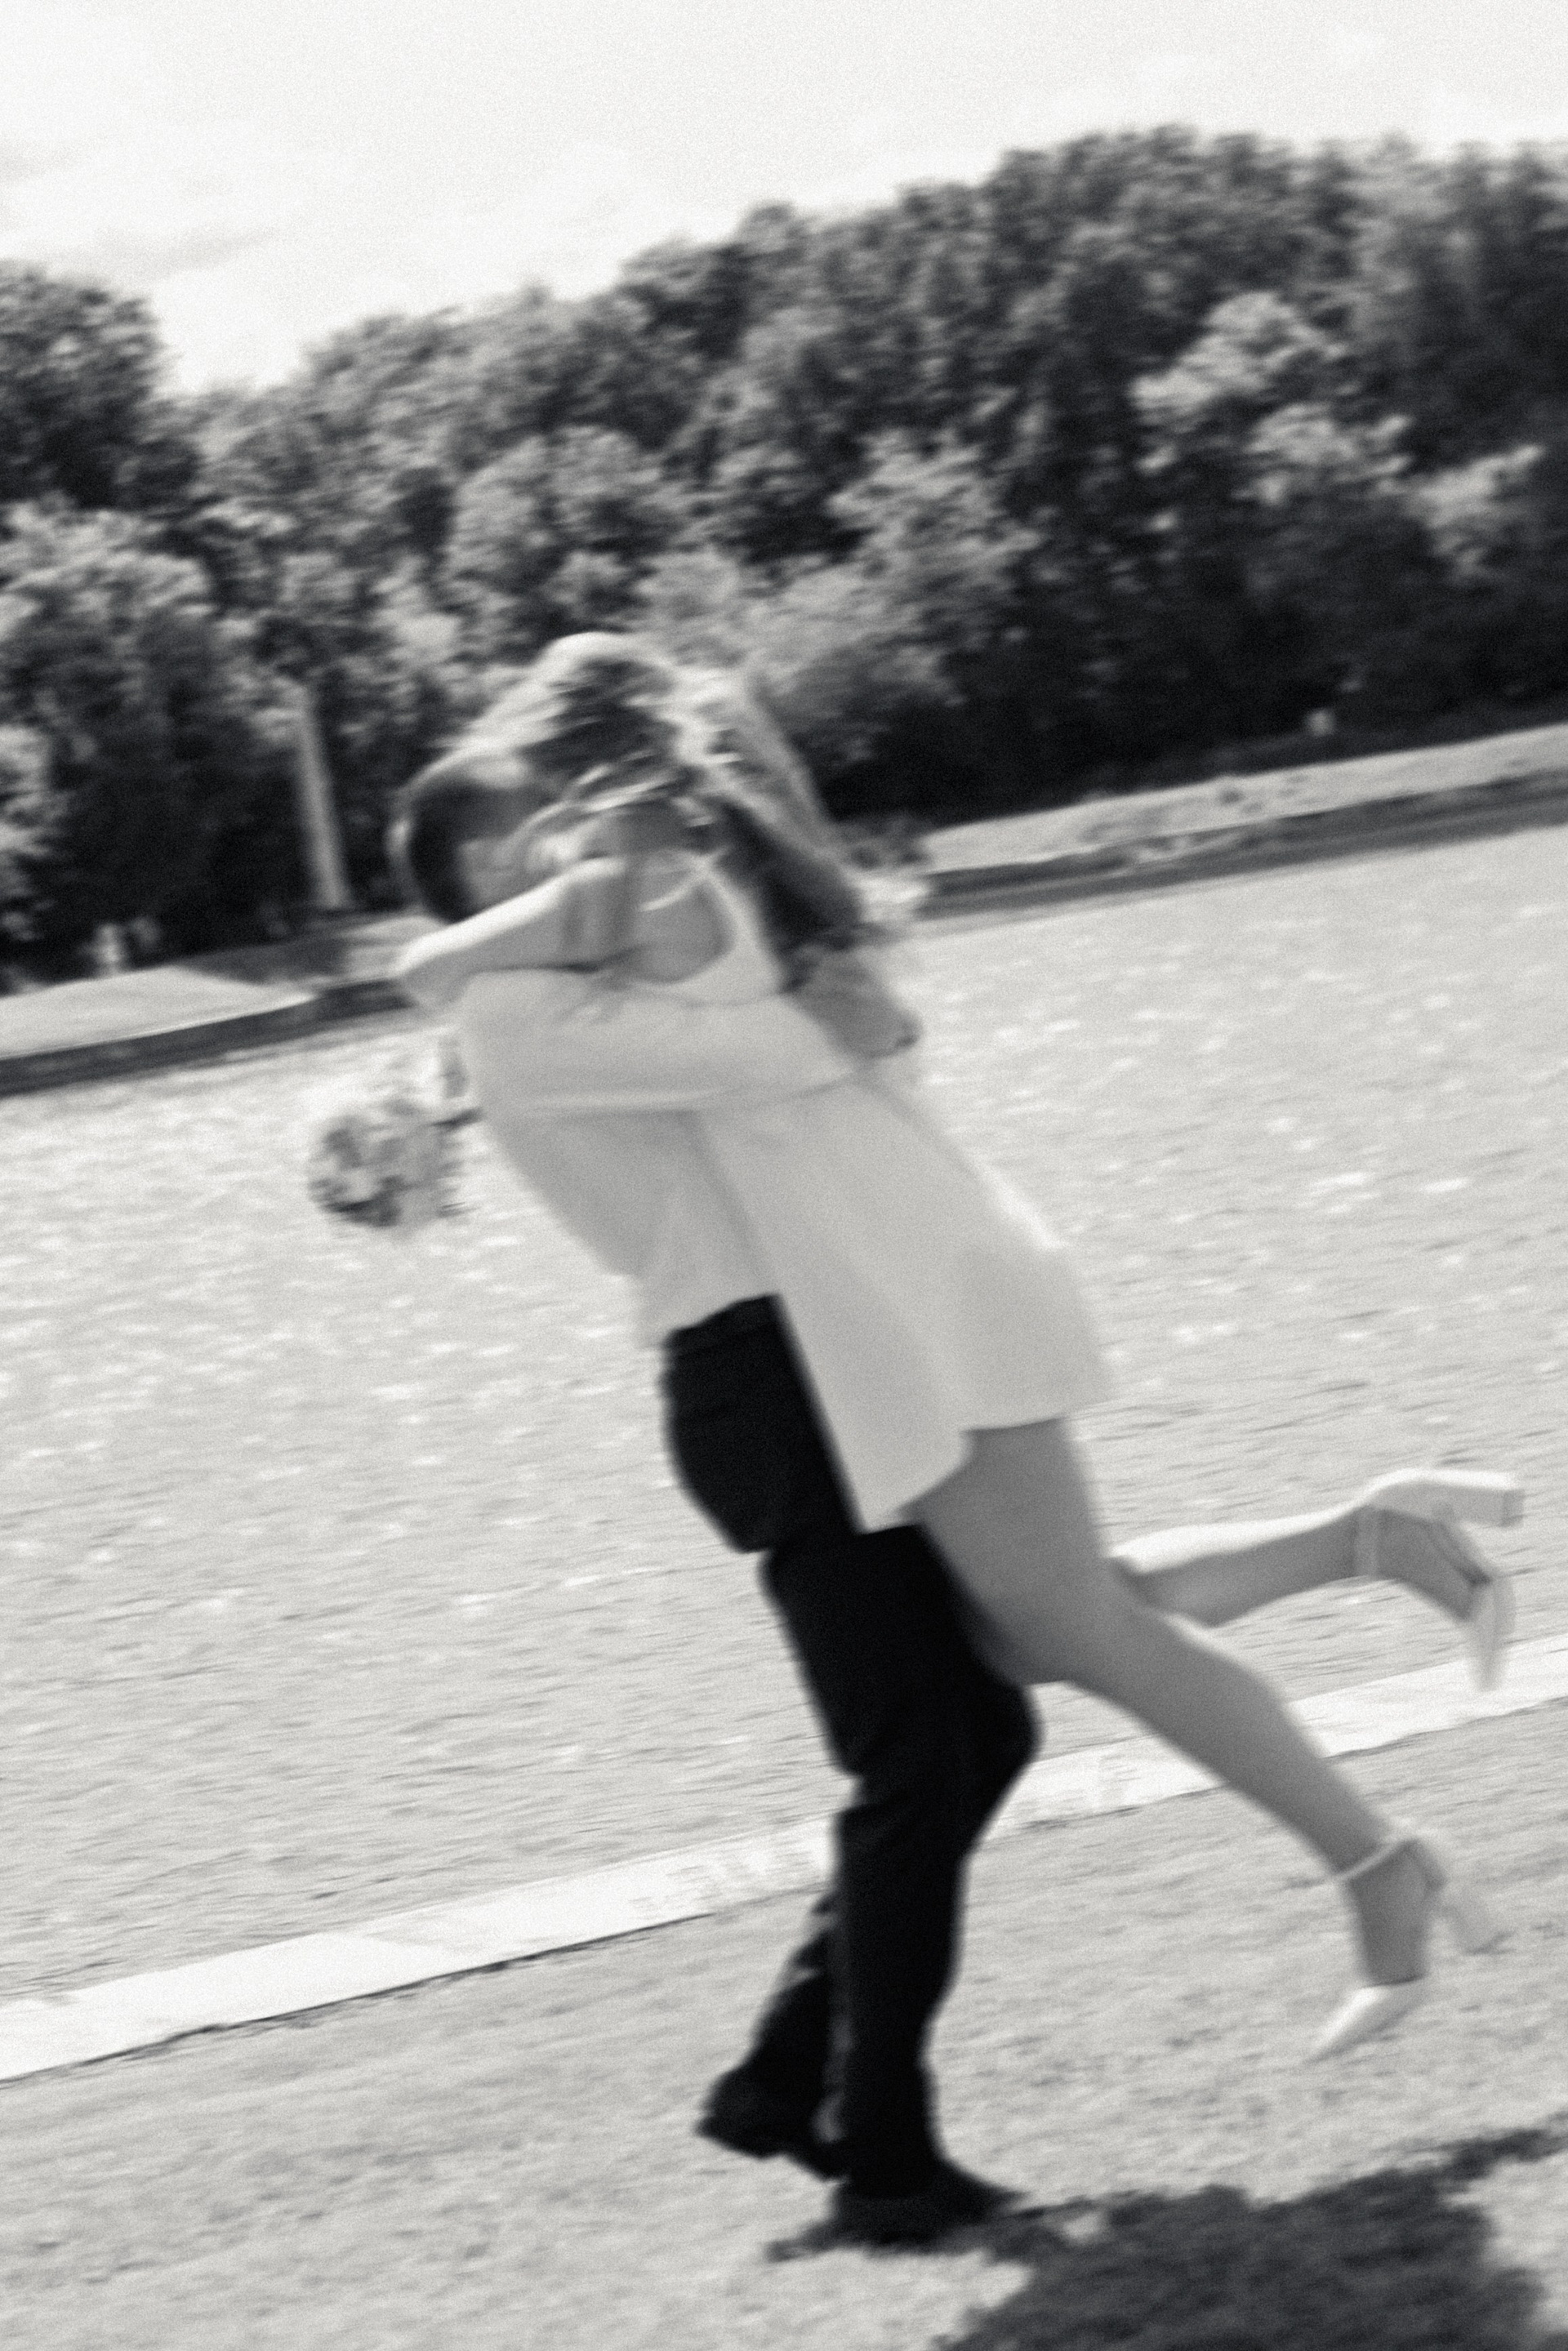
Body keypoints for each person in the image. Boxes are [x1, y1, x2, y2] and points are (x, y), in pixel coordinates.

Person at [390, 635, 1522, 2232]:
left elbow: (757, 1026)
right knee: (1012, 1656)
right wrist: (465, 1048)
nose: (553, 851)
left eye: (555, 814)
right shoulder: (579, 967)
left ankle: (1350, 1866)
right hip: (839, 1329)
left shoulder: (628, 919)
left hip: (882, 1309)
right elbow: (775, 1040)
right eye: (517, 840)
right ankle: (1373, 1566)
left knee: (1012, 1672)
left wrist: (474, 1015)